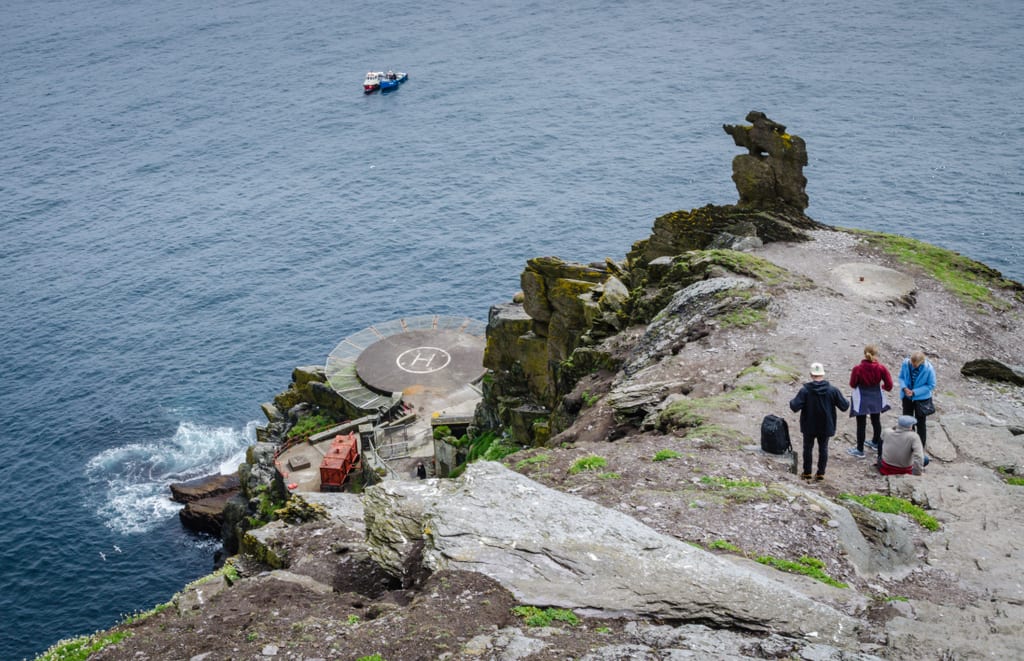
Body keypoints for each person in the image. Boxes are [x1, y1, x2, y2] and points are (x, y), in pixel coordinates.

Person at [790, 362, 850, 481]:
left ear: (811, 375)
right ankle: (820, 473)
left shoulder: (805, 390)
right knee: (823, 448)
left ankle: (807, 472)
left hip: (809, 425)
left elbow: (794, 406)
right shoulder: (833, 390)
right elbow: (844, 406)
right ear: (823, 374)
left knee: (807, 448)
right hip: (826, 425)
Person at [847, 345, 893, 458]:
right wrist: (883, 387)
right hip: (876, 395)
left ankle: (860, 450)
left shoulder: (857, 368)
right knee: (876, 420)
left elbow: (853, 384)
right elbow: (889, 385)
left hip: (862, 397)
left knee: (861, 424)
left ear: (864, 354)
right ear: (875, 355)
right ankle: (876, 442)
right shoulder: (881, 368)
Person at [898, 351, 936, 449]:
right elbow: (901, 377)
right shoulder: (906, 364)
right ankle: (908, 443)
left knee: (921, 423)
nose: (913, 366)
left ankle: (920, 447)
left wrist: (915, 392)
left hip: (921, 400)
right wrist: (904, 387)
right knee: (907, 422)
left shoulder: (928, 369)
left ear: (921, 362)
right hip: (907, 397)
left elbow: (931, 385)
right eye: (912, 364)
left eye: (916, 365)